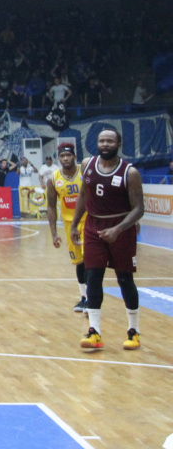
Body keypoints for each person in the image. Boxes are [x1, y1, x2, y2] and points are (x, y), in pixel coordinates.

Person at [70, 128, 145, 351]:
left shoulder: (129, 173)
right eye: (101, 140)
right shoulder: (87, 165)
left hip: (120, 228)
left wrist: (118, 229)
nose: (104, 144)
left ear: (118, 144)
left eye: (109, 141)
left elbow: (139, 208)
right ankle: (94, 332)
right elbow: (84, 195)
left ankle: (134, 331)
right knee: (92, 276)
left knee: (124, 280)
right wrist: (75, 224)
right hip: (93, 226)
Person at [47, 143, 88, 313]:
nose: (65, 159)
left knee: (90, 259)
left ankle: (92, 298)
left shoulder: (85, 172)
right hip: (69, 224)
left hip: (89, 221)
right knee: (79, 262)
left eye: (68, 156)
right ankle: (84, 297)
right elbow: (50, 206)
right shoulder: (53, 178)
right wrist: (54, 233)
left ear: (75, 157)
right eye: (62, 156)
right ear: (59, 158)